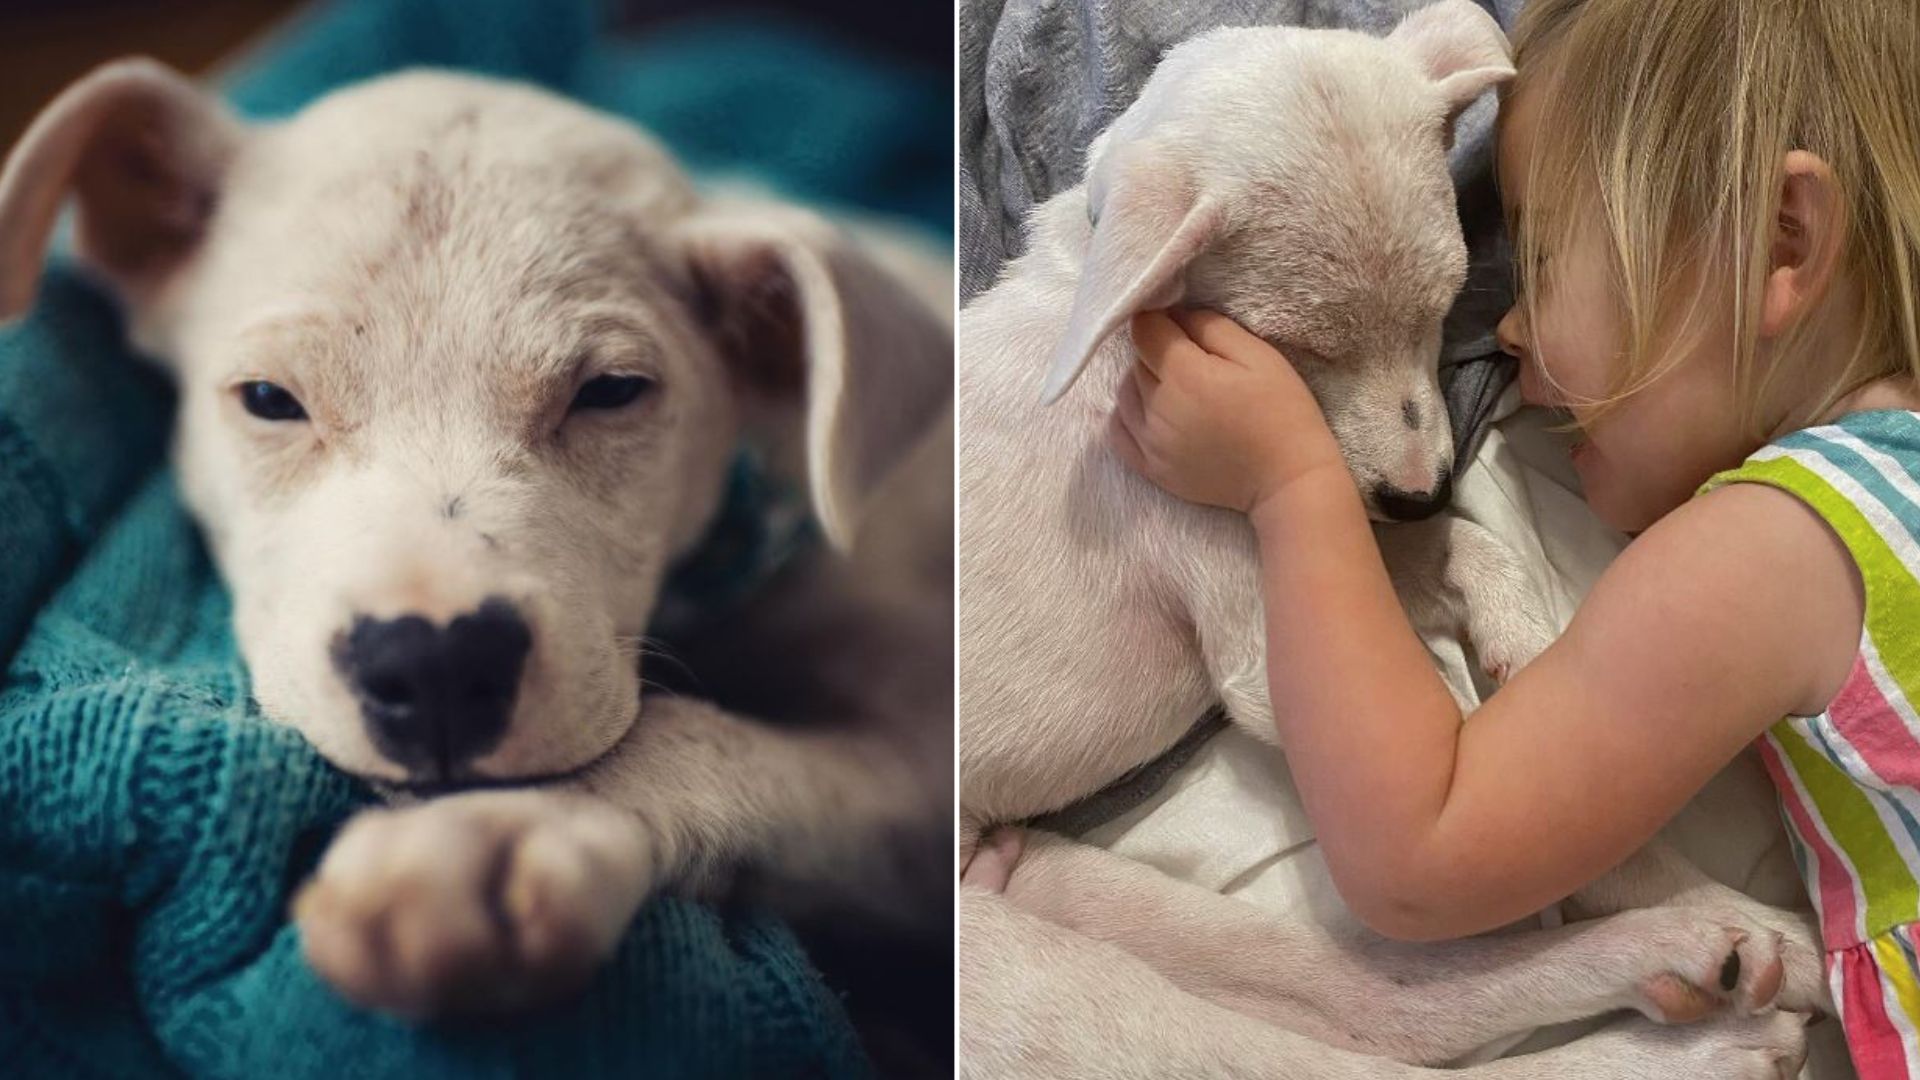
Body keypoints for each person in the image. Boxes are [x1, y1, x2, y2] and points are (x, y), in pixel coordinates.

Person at [1107, 0, 1920, 1074]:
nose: (1505, 329)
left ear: (1783, 240)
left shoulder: (1780, 540)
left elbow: (1421, 855)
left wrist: (1291, 486)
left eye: (1539, 257)